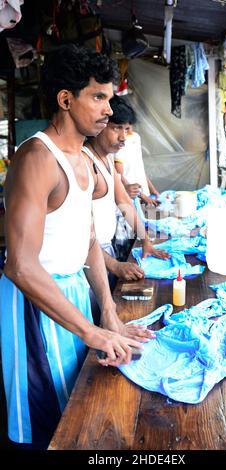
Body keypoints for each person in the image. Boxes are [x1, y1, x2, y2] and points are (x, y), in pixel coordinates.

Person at [0, 44, 153, 450]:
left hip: (72, 295)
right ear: (66, 99)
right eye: (98, 97)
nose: (108, 109)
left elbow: (87, 243)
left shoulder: (83, 159)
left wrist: (109, 314)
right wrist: (92, 332)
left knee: (78, 404)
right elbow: (20, 266)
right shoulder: (36, 158)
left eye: (109, 97)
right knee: (46, 421)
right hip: (34, 303)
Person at [82, 96, 169, 298]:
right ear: (100, 125)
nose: (123, 137)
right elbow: (81, 235)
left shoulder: (107, 160)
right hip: (89, 258)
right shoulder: (84, 162)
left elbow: (124, 203)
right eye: (116, 128)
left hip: (105, 250)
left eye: (126, 129)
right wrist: (114, 265)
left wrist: (146, 240)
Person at [114, 122, 160, 207]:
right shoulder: (119, 142)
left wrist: (152, 189)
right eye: (121, 128)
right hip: (131, 196)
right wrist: (142, 195)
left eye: (128, 127)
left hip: (144, 195)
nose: (127, 131)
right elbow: (120, 176)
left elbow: (139, 168)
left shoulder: (136, 137)